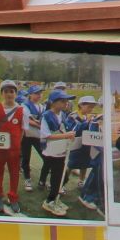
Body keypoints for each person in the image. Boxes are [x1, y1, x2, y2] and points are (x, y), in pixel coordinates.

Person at [37, 88, 77, 216]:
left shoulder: (63, 114)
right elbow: (46, 135)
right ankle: (49, 201)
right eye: (63, 101)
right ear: (53, 102)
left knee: (62, 178)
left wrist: (69, 134)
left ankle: (54, 199)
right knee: (58, 178)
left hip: (61, 150)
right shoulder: (46, 116)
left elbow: (64, 130)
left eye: (66, 101)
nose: (66, 103)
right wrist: (66, 136)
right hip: (51, 152)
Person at [0, 79, 27, 216]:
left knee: (14, 173)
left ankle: (13, 197)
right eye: (6, 91)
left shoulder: (22, 110)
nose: (9, 94)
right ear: (2, 93)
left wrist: (16, 143)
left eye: (12, 91)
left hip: (14, 149)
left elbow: (23, 131)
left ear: (16, 93)